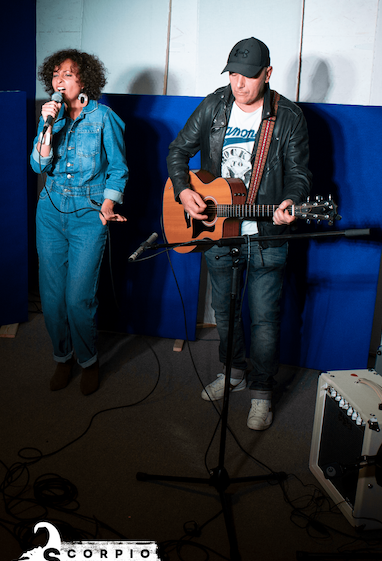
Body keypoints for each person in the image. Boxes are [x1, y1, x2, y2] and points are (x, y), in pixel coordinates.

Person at [166, 37, 311, 430]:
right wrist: (184, 190)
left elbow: (299, 174)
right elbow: (178, 151)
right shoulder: (215, 105)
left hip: (265, 235)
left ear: (267, 73)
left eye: (248, 76)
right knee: (225, 313)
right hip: (218, 231)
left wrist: (291, 201)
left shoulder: (288, 117)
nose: (239, 84)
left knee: (265, 318)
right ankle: (233, 372)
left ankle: (262, 390)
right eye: (233, 75)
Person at [30, 49, 128, 396]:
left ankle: (88, 360)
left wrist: (108, 204)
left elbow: (118, 169)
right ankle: (62, 357)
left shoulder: (104, 118)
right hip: (50, 211)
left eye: (67, 74)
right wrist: (48, 125)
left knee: (77, 299)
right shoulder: (50, 117)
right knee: (52, 299)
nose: (59, 81)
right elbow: (38, 166)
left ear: (84, 79)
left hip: (89, 214)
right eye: (55, 75)